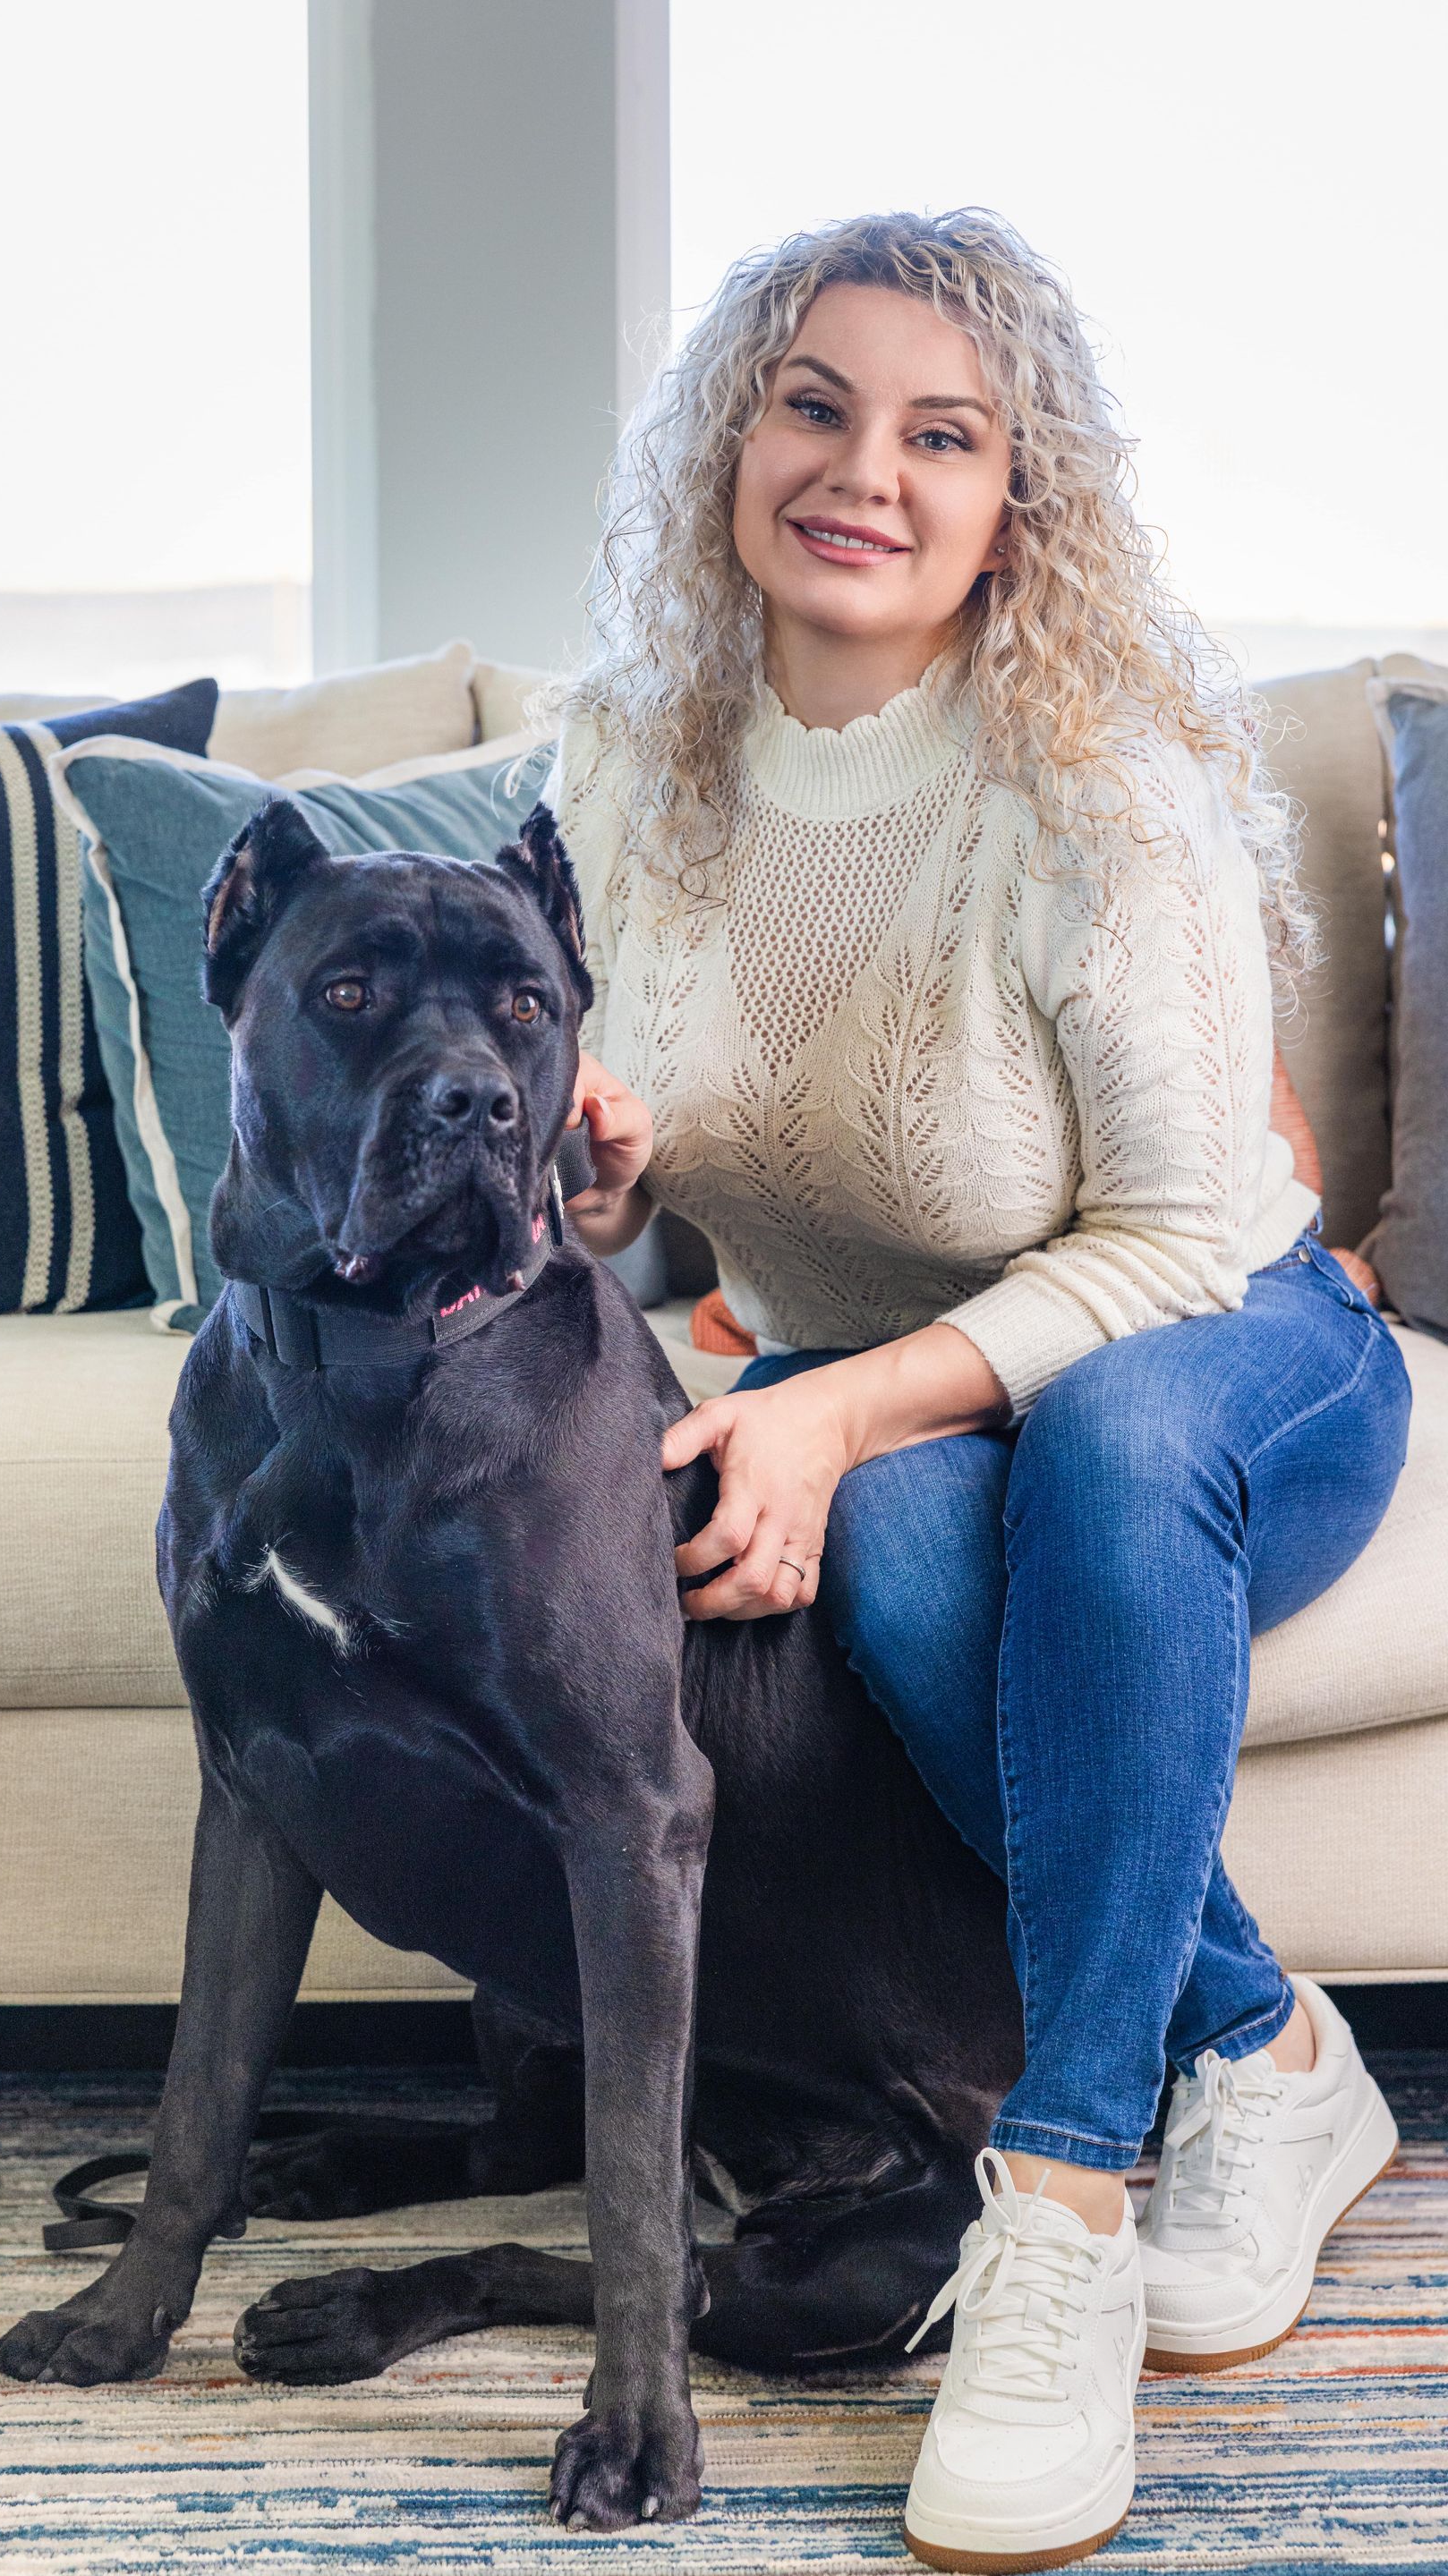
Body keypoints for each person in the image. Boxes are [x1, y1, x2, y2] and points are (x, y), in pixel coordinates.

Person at [539, 208, 1412, 2572]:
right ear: (731, 440)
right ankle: (1274, 2053)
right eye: (815, 407)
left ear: (1019, 498)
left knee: (1103, 1443)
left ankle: (1065, 2204)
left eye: (945, 435)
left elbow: (1168, 1245)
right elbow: (647, 1209)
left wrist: (828, 1410)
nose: (866, 474)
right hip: (914, 1386)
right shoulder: (624, 760)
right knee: (924, 1547)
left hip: (1232, 1346)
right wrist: (606, 1194)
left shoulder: (1095, 778)